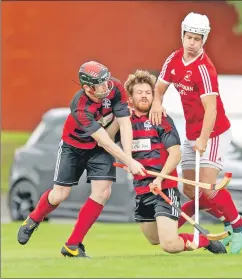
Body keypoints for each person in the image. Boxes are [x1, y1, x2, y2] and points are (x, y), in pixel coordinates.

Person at [17, 61, 146, 258]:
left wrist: (129, 156)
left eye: (106, 81)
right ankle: (34, 219)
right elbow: (104, 141)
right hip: (74, 147)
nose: (106, 86)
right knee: (59, 195)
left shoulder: (115, 88)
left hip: (99, 150)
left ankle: (72, 245)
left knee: (103, 192)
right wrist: (129, 163)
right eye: (100, 84)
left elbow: (124, 122)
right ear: (87, 88)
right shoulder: (80, 106)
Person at [149, 12, 242, 254]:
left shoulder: (205, 69)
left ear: (204, 39)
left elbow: (211, 110)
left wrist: (203, 139)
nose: (192, 43)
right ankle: (228, 217)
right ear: (182, 35)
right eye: (189, 37)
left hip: (213, 132)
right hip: (192, 132)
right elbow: (159, 88)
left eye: (197, 38)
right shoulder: (173, 59)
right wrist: (156, 103)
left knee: (206, 186)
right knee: (190, 190)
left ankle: (238, 225)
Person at [108, 69, 226, 254]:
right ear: (130, 97)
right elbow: (106, 139)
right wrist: (119, 114)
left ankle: (202, 240)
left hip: (164, 187)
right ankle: (188, 233)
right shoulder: (125, 122)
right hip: (141, 190)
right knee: (154, 239)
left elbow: (175, 154)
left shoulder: (161, 119)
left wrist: (160, 179)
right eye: (139, 93)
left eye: (148, 93)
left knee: (169, 245)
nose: (144, 96)